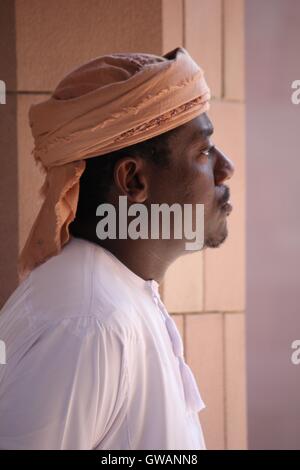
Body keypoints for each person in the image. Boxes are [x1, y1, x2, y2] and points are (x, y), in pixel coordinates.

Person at [0, 47, 234, 450]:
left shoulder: (117, 297)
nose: (225, 168)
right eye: (203, 151)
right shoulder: (90, 323)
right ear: (132, 181)